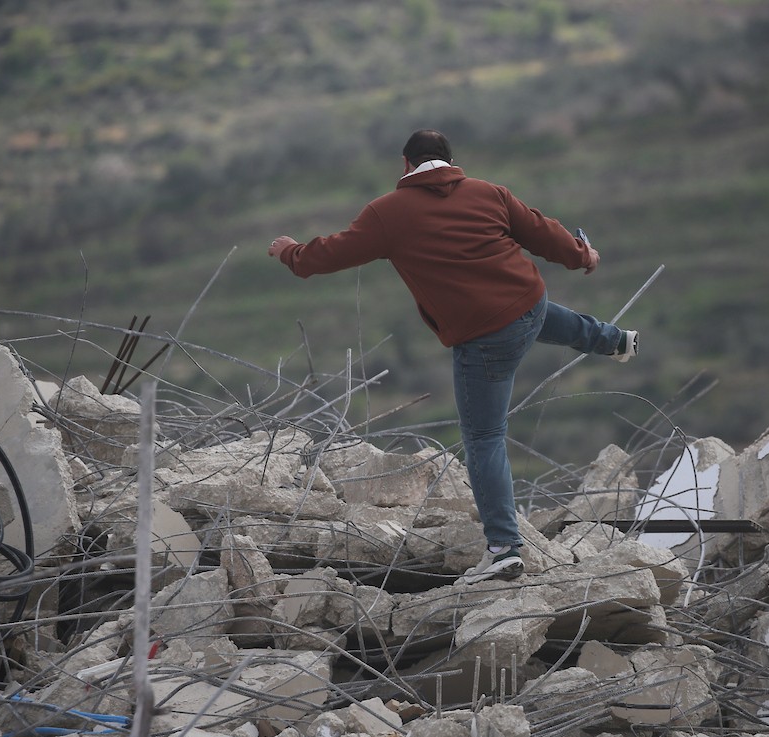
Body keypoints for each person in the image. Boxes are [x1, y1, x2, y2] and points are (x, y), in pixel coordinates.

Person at [268, 129, 638, 584]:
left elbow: (326, 255)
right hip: (527, 300)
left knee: (484, 438)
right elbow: (545, 234)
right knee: (534, 317)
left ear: (406, 165)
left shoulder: (387, 213)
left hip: (483, 338)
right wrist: (584, 255)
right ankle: (615, 340)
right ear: (447, 161)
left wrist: (290, 252)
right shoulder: (490, 193)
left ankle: (503, 548)